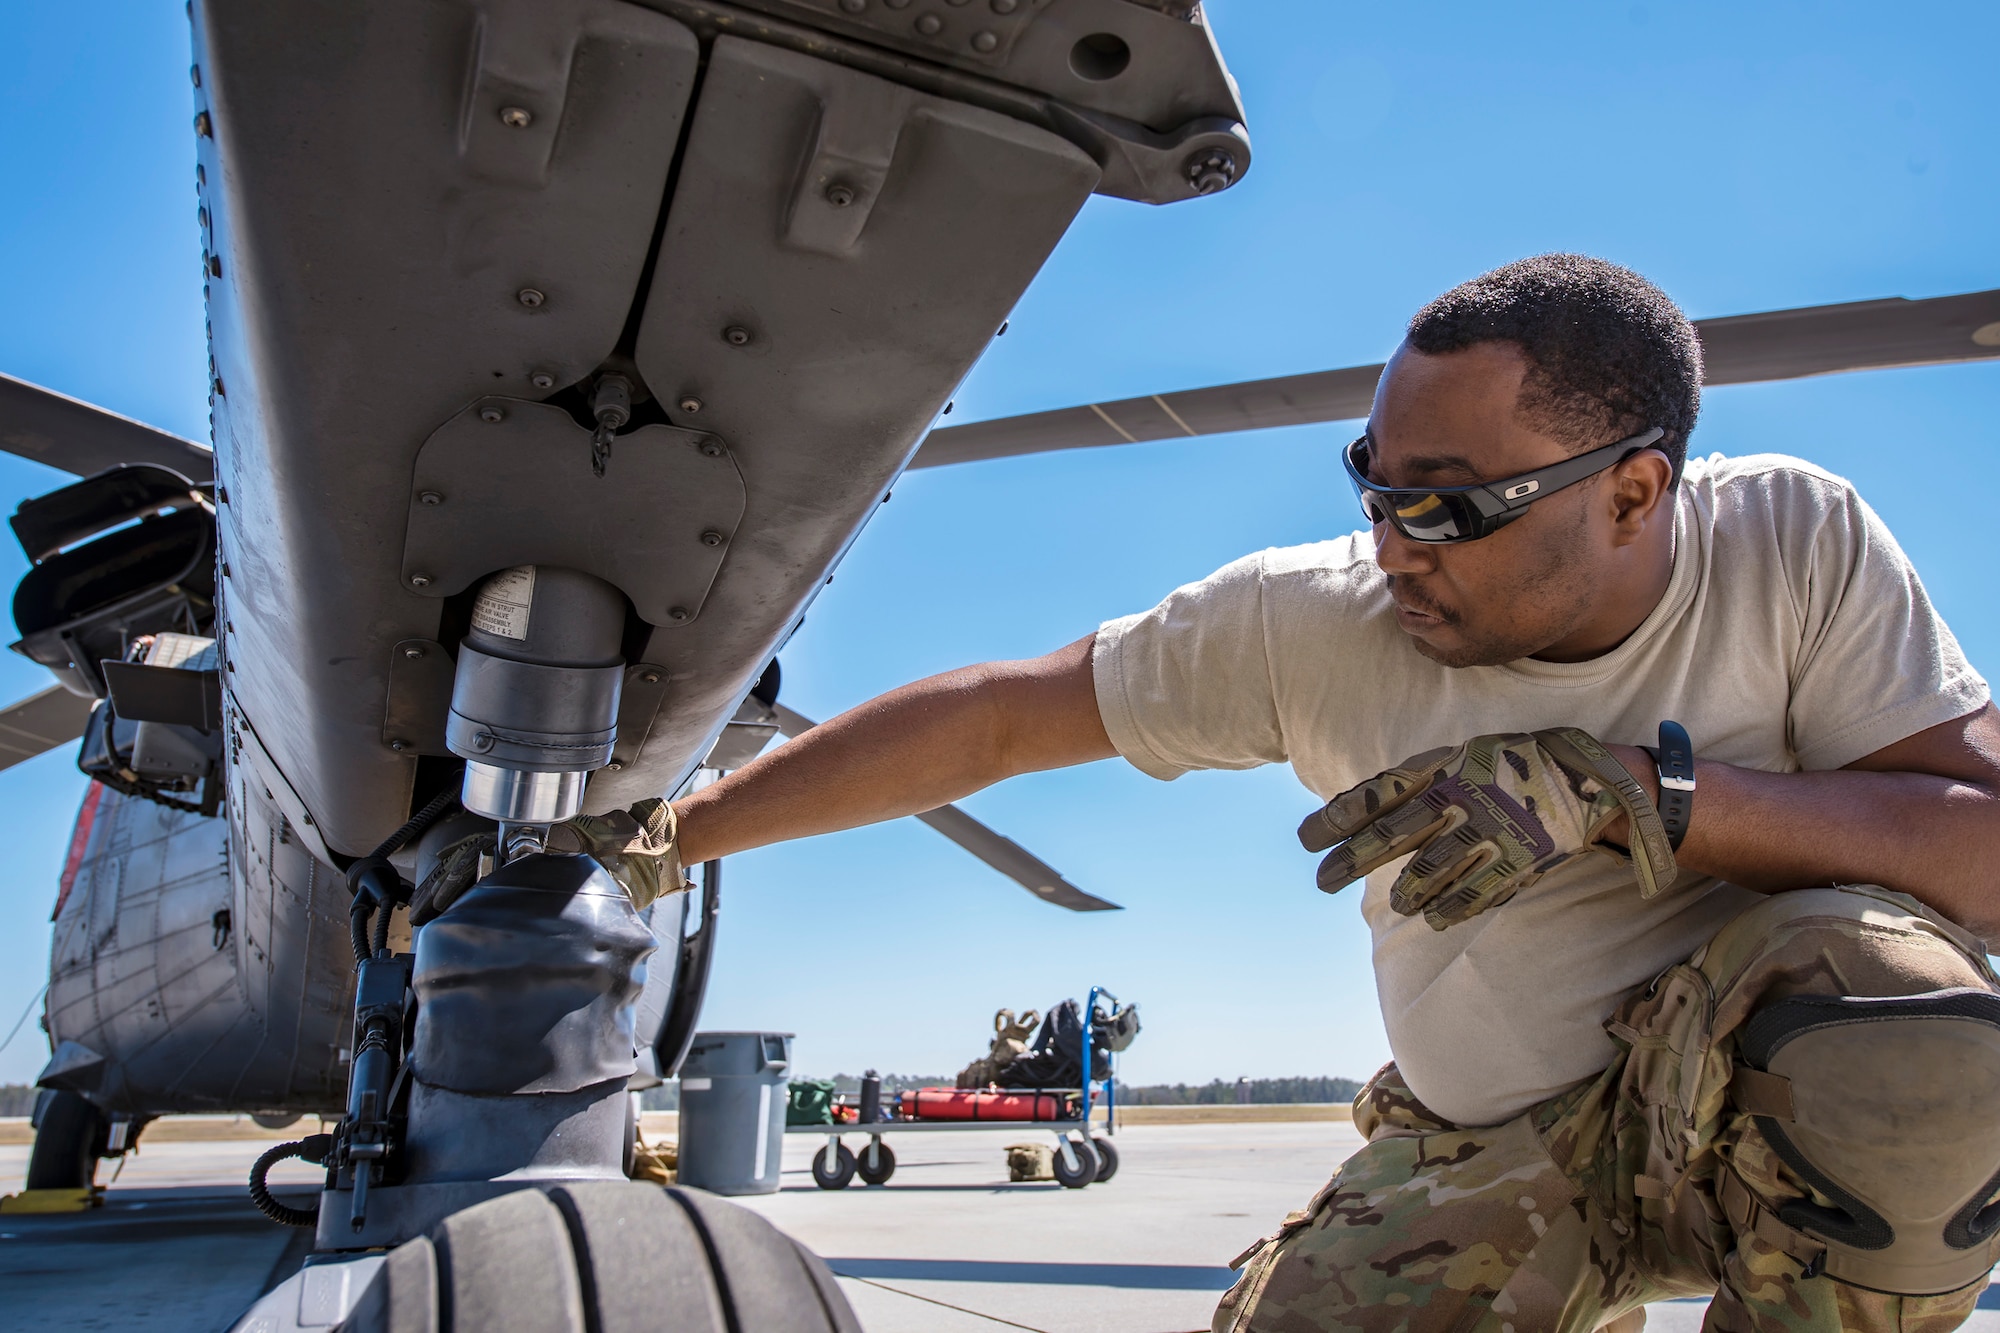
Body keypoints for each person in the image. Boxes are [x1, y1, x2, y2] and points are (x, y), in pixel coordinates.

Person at [610, 255, 2000, 1331]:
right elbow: (1002, 719)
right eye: (1373, 486)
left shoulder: (1794, 546)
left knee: (1908, 1014)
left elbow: (1983, 852)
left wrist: (1644, 795)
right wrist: (669, 839)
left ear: (1633, 495)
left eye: (1447, 505)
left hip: (1747, 1110)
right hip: (1489, 1146)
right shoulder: (1311, 622)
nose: (1394, 544)